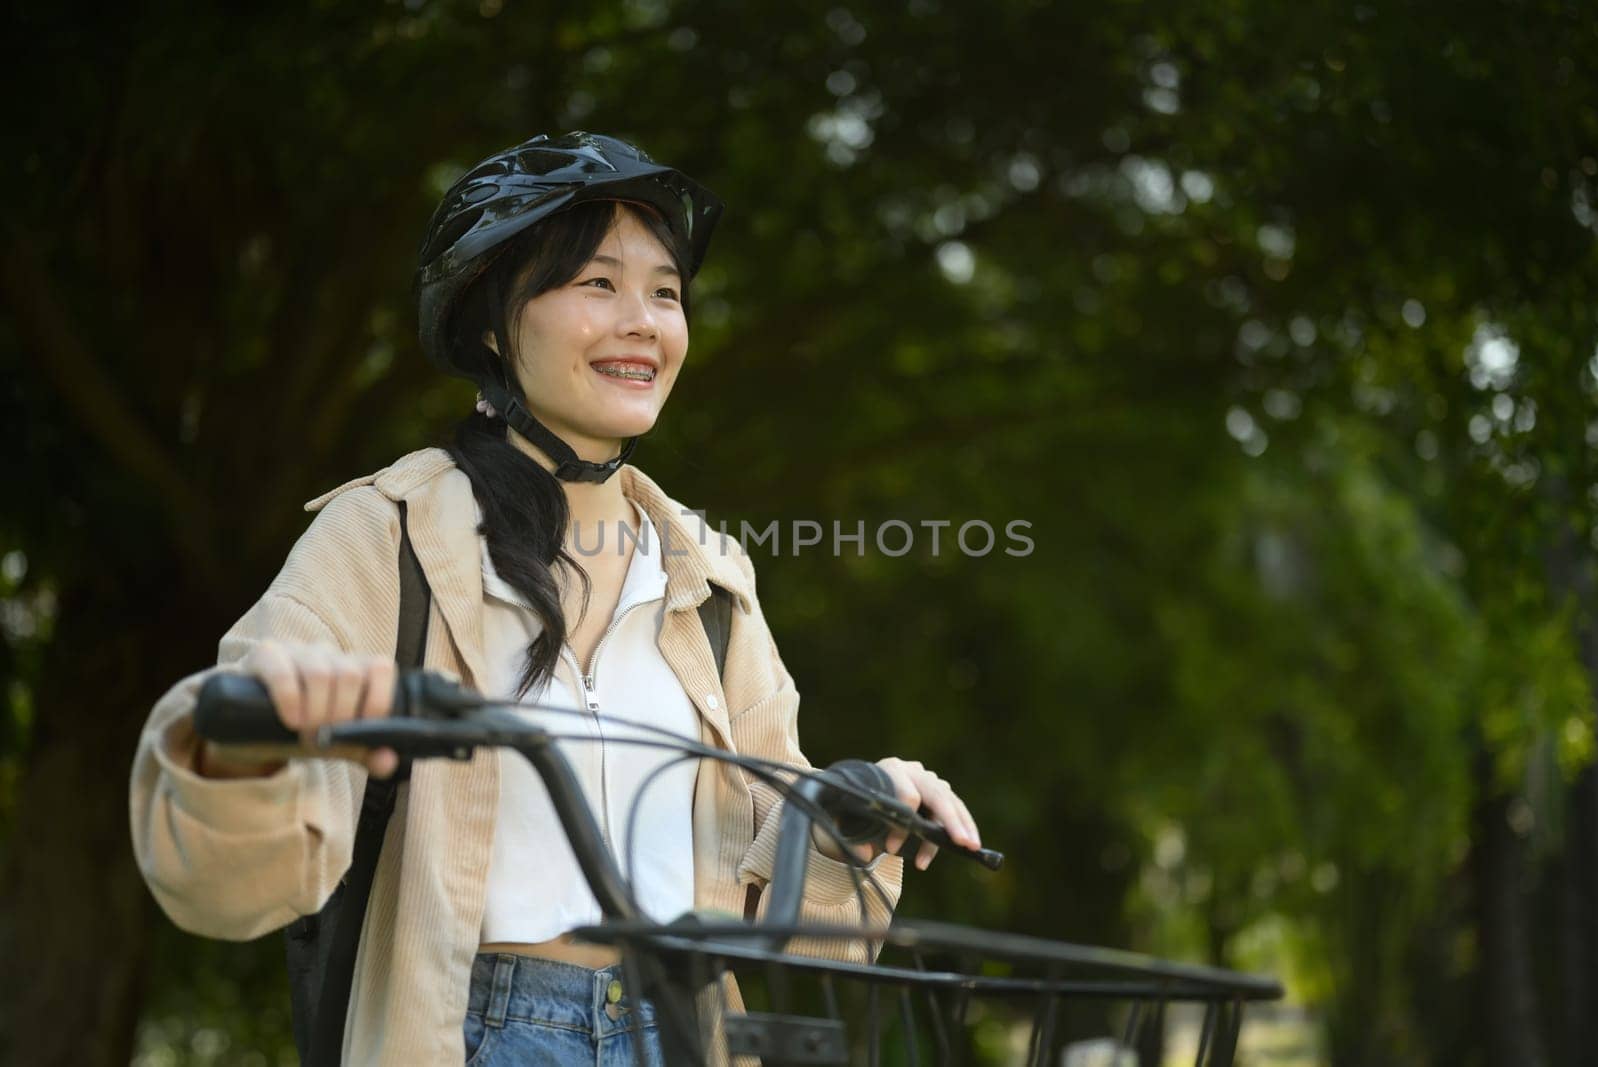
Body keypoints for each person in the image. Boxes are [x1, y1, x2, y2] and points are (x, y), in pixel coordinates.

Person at [129, 131, 981, 1065]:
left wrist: (851, 811)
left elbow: (790, 918)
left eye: (665, 291)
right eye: (597, 284)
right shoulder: (387, 534)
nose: (643, 321)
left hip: (682, 1030)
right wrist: (246, 746)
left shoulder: (711, 575)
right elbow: (226, 880)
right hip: (473, 1030)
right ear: (495, 322)